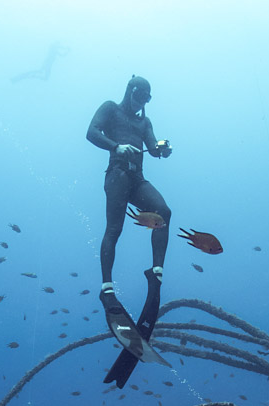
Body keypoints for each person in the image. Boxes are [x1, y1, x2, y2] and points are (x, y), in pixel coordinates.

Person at [86, 75, 172, 360]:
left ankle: (156, 272)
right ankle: (106, 288)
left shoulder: (144, 122)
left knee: (164, 212)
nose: (141, 103)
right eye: (139, 96)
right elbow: (91, 132)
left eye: (147, 99)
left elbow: (152, 146)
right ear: (130, 91)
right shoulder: (111, 108)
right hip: (117, 174)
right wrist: (115, 146)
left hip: (137, 179)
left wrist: (161, 149)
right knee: (115, 228)